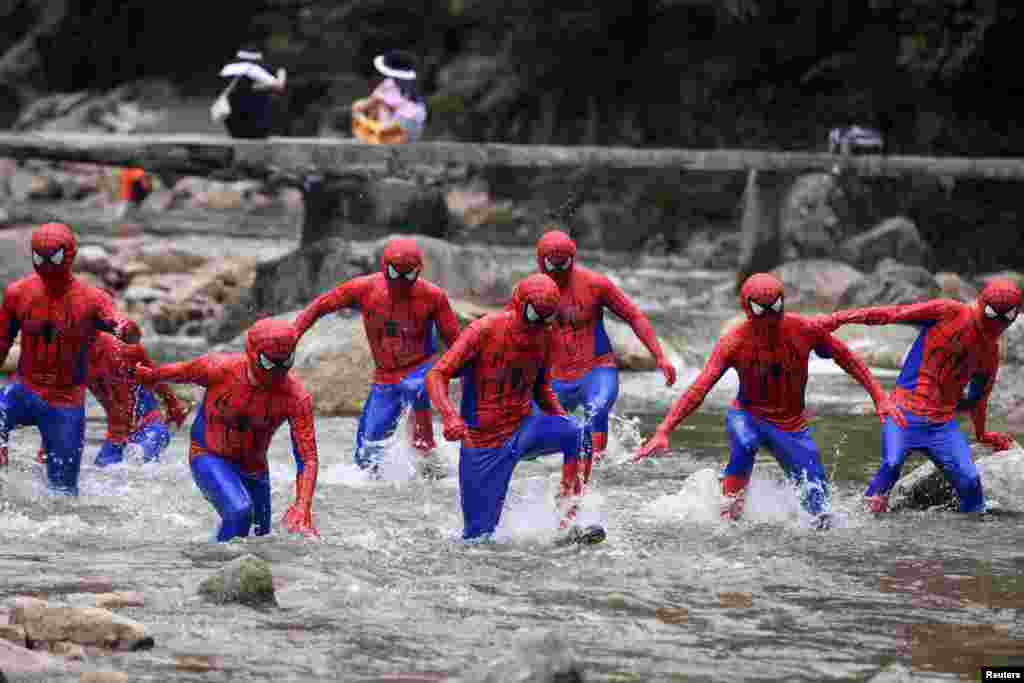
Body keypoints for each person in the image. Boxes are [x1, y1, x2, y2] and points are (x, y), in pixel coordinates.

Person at [634, 273, 905, 524]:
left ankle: (747, 493)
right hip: (748, 417)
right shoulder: (733, 343)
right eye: (760, 310)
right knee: (746, 442)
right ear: (746, 308)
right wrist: (663, 430)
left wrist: (880, 397)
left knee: (820, 510)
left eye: (775, 308)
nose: (769, 319)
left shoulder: (805, 329)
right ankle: (728, 505)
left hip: (791, 425)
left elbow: (847, 358)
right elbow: (700, 388)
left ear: (783, 304)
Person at [822, 278, 1021, 513]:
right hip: (903, 412)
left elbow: (978, 399)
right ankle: (857, 524)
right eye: (991, 314)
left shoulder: (990, 353)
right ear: (981, 304)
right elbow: (893, 313)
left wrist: (983, 434)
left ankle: (967, 542)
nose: (995, 323)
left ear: (1014, 317)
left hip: (941, 425)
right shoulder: (949, 311)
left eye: (1005, 318)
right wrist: (837, 319)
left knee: (970, 483)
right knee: (891, 464)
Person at [427, 274, 598, 541]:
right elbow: (437, 374)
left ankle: (567, 520)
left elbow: (541, 389)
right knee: (478, 538)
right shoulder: (482, 330)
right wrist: (449, 417)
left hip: (525, 426)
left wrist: (562, 420)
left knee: (577, 433)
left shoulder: (546, 335)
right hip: (484, 443)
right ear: (518, 306)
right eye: (534, 315)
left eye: (547, 317)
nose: (540, 324)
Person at [134, 318, 320, 541]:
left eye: (286, 362)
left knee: (260, 539)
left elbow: (307, 457)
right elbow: (181, 371)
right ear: (252, 353)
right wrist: (150, 377)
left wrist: (303, 506)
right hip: (208, 454)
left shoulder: (296, 398)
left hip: (255, 469)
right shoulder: (219, 369)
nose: (278, 371)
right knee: (239, 512)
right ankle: (215, 570)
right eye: (269, 364)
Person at [293, 238, 460, 474]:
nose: (401, 282)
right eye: (394, 273)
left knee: (415, 387)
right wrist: (294, 332)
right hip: (385, 377)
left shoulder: (433, 297)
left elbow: (457, 344)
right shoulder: (364, 289)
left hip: (421, 368)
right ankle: (388, 480)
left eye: (408, 275)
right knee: (366, 456)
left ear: (418, 271)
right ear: (384, 268)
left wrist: (465, 376)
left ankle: (428, 452)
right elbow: (321, 305)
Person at [0, 223, 136, 494]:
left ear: (70, 255)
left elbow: (116, 322)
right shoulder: (18, 294)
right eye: (40, 258)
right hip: (24, 390)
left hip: (64, 403)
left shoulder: (93, 299)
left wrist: (125, 329)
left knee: (63, 495)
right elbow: (2, 342)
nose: (48, 265)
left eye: (55, 258)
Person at [535, 229, 677, 486]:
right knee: (529, 432)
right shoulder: (529, 292)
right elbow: (509, 331)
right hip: (554, 376)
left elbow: (634, 315)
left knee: (596, 410)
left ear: (573, 258)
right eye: (550, 265)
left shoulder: (596, 284)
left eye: (563, 264)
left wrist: (659, 356)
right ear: (540, 260)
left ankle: (595, 473)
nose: (557, 271)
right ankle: (560, 468)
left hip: (597, 369)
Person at [35, 322, 189, 467]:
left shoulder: (125, 350)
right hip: (116, 437)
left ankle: (162, 435)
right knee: (100, 477)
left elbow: (156, 378)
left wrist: (174, 407)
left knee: (133, 463)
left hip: (150, 428)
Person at [352, 50, 427, 142]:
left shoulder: (390, 84)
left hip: (396, 129)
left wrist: (359, 113)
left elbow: (365, 104)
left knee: (377, 105)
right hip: (414, 131)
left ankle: (379, 133)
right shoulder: (414, 87)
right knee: (379, 105)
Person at [217, 47, 287, 139]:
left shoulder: (227, 68)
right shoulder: (253, 69)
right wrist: (282, 72)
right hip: (255, 127)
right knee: (272, 99)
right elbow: (279, 86)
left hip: (234, 127)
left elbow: (243, 88)